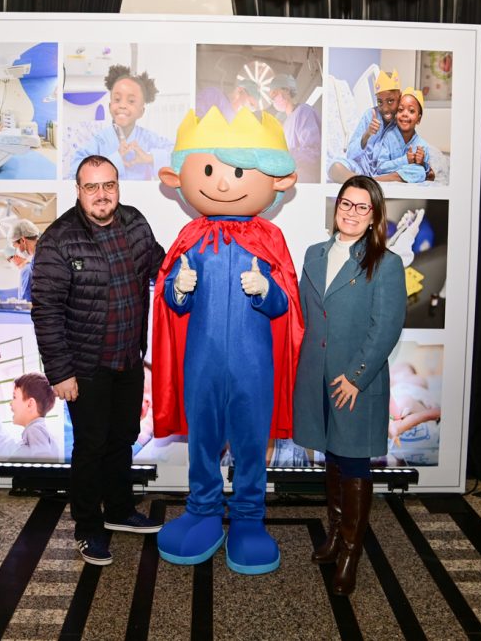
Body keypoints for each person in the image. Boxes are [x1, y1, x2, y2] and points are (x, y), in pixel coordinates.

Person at [154, 106, 303, 575]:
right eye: (210, 170)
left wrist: (267, 291)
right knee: (202, 439)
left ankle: (248, 519)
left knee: (251, 441)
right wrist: (178, 290)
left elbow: (286, 307)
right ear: (178, 178)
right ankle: (201, 512)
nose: (222, 183)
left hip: (253, 364)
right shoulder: (191, 237)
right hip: (201, 360)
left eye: (237, 171)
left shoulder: (269, 238)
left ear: (277, 180)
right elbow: (171, 306)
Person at [31, 154, 166, 566]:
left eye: (109, 185)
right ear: (78, 191)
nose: (102, 194)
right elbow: (46, 311)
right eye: (92, 187)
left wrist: (188, 268)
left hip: (128, 359)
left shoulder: (135, 222)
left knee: (123, 438)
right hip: (85, 367)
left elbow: (159, 264)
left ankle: (120, 510)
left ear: (117, 187)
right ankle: (88, 528)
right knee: (90, 446)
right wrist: (60, 373)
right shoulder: (58, 239)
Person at [292, 175, 406, 595]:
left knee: (354, 463)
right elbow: (307, 315)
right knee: (332, 457)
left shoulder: (386, 263)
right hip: (316, 376)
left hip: (355, 381)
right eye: (346, 203)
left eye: (362, 207)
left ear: (374, 215)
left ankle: (351, 554)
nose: (352, 212)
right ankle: (335, 535)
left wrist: (357, 377)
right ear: (336, 206)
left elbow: (386, 328)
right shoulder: (314, 253)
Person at [68, 65, 174, 181]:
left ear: (141, 111)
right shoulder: (100, 141)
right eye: (117, 99)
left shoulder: (148, 138)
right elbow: (75, 171)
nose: (122, 105)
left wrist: (149, 158)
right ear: (110, 107)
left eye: (131, 101)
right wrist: (113, 161)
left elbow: (179, 157)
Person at [327, 70, 408, 183]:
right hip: (361, 169)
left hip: (385, 173)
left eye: (390, 101)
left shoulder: (404, 121)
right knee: (334, 167)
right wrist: (367, 134)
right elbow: (350, 154)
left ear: (400, 97)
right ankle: (363, 181)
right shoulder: (369, 115)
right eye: (380, 102)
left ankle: (363, 182)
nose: (385, 108)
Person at [268, 73, 322, 183]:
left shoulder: (303, 112)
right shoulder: (286, 124)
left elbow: (314, 152)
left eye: (274, 93)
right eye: (271, 97)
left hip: (307, 180)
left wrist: (285, 156)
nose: (273, 99)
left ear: (287, 90)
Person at [375, 87, 435, 183]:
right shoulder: (389, 137)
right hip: (385, 174)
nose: (405, 114)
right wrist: (405, 160)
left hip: (407, 173)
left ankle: (394, 177)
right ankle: (379, 179)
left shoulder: (422, 146)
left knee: (420, 171)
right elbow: (380, 167)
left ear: (419, 119)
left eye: (411, 111)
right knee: (420, 173)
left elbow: (427, 172)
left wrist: (422, 163)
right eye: (400, 110)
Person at [7, 372, 57, 460]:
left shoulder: (34, 429)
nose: (10, 403)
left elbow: (43, 458)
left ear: (30, 404)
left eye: (14, 397)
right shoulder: (37, 429)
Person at [195, 77, 261, 122]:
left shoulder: (239, 121)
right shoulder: (214, 95)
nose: (250, 109)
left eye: (253, 107)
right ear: (239, 90)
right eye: (251, 104)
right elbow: (196, 116)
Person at [9, 220, 39, 302]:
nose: (19, 251)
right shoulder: (35, 260)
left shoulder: (46, 255)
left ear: (22, 240)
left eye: (17, 247)